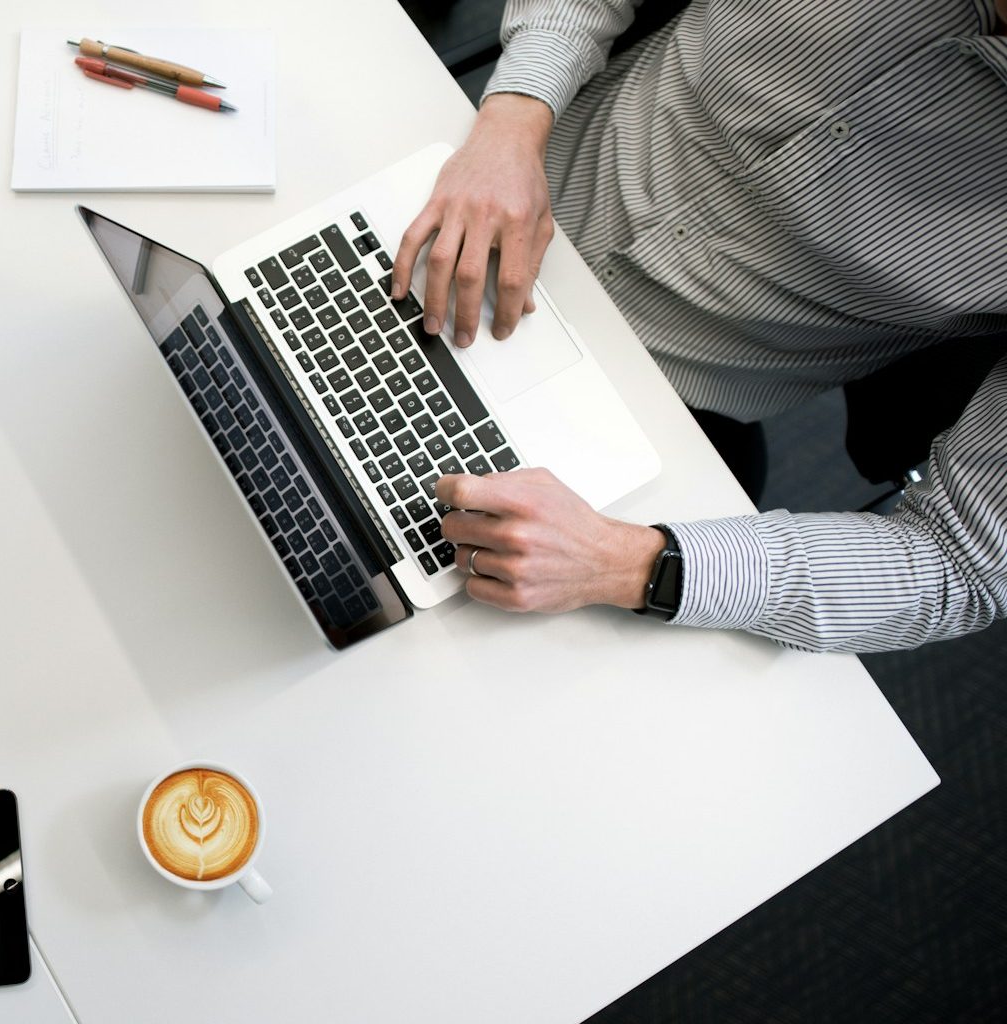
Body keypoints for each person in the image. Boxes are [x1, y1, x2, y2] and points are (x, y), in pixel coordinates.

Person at [393, 0, 1007, 652]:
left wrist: (629, 563)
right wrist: (514, 119)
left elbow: (959, 561)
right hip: (476, 180)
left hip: (653, 412)